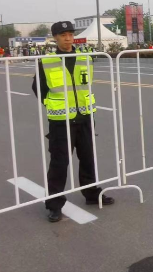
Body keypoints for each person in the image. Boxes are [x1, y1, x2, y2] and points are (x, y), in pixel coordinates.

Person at [31, 21, 114, 223]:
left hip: (84, 117)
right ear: (55, 38)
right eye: (63, 35)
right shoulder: (47, 62)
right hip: (61, 121)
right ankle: (54, 205)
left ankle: (92, 194)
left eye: (70, 34)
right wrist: (52, 103)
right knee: (59, 164)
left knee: (88, 159)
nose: (68, 38)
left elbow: (86, 85)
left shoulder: (85, 58)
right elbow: (38, 88)